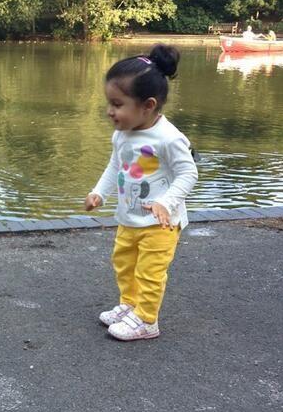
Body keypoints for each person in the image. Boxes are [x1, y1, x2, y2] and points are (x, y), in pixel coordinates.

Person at [84, 45, 198, 341]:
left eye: (117, 104)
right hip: (129, 217)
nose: (110, 111)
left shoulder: (169, 138)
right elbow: (115, 166)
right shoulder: (122, 133)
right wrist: (99, 193)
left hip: (161, 223)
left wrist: (166, 202)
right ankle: (130, 305)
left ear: (148, 105)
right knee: (124, 263)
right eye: (109, 103)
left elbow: (189, 173)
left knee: (150, 271)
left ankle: (147, 320)